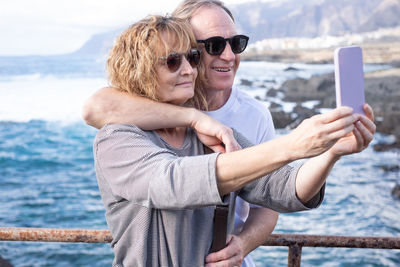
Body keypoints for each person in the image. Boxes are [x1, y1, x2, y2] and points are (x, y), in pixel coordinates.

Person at [84, 1, 376, 266]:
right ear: (142, 70)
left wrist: (331, 152)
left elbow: (282, 187)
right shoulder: (118, 138)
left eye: (192, 59)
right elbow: (171, 180)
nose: (188, 70)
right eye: (173, 61)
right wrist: (292, 145)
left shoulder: (211, 134)